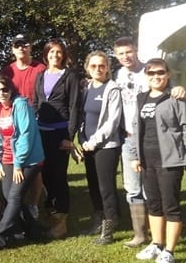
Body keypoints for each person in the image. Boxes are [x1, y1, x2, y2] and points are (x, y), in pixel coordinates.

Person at [113, 37, 185, 248]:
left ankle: (166, 246)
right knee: (139, 192)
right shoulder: (120, 78)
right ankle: (146, 238)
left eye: (129, 52)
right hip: (134, 142)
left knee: (165, 198)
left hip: (165, 149)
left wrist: (180, 89)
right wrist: (135, 153)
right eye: (120, 53)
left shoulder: (159, 77)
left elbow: (171, 95)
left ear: (135, 51)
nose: (125, 56)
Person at [0, 75, 45, 252]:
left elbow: (26, 135)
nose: (2, 93)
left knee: (15, 197)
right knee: (9, 197)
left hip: (28, 160)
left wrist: (18, 164)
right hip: (6, 160)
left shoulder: (21, 105)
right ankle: (34, 231)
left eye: (5, 89)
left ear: (11, 89)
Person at [131, 59, 186, 263]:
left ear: (168, 73)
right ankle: (156, 243)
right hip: (147, 159)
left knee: (170, 205)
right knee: (153, 203)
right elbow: (137, 128)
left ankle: (169, 251)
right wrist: (136, 156)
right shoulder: (141, 98)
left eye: (160, 72)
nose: (156, 76)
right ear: (146, 75)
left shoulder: (176, 98)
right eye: (151, 72)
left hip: (170, 160)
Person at [33, 39, 81, 239]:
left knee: (59, 176)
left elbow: (74, 107)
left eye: (59, 52)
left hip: (60, 133)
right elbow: (36, 101)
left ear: (64, 55)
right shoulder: (40, 75)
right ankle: (50, 214)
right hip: (41, 132)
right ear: (46, 54)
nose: (55, 55)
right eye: (52, 52)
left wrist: (69, 137)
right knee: (45, 175)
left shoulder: (70, 76)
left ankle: (61, 222)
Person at [79, 51, 123, 245]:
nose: (98, 69)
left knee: (106, 188)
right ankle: (99, 221)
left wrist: (94, 141)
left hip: (106, 146)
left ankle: (109, 229)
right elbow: (83, 116)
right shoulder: (87, 88)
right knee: (94, 186)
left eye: (102, 66)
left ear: (108, 68)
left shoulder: (112, 89)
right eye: (94, 66)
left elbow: (112, 121)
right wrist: (82, 139)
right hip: (88, 146)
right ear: (88, 68)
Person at [3, 33, 46, 220]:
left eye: (25, 44)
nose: (21, 48)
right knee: (16, 161)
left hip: (35, 120)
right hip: (13, 122)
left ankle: (34, 204)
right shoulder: (8, 70)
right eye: (17, 45)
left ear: (30, 47)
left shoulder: (40, 68)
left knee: (35, 165)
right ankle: (18, 201)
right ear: (13, 49)